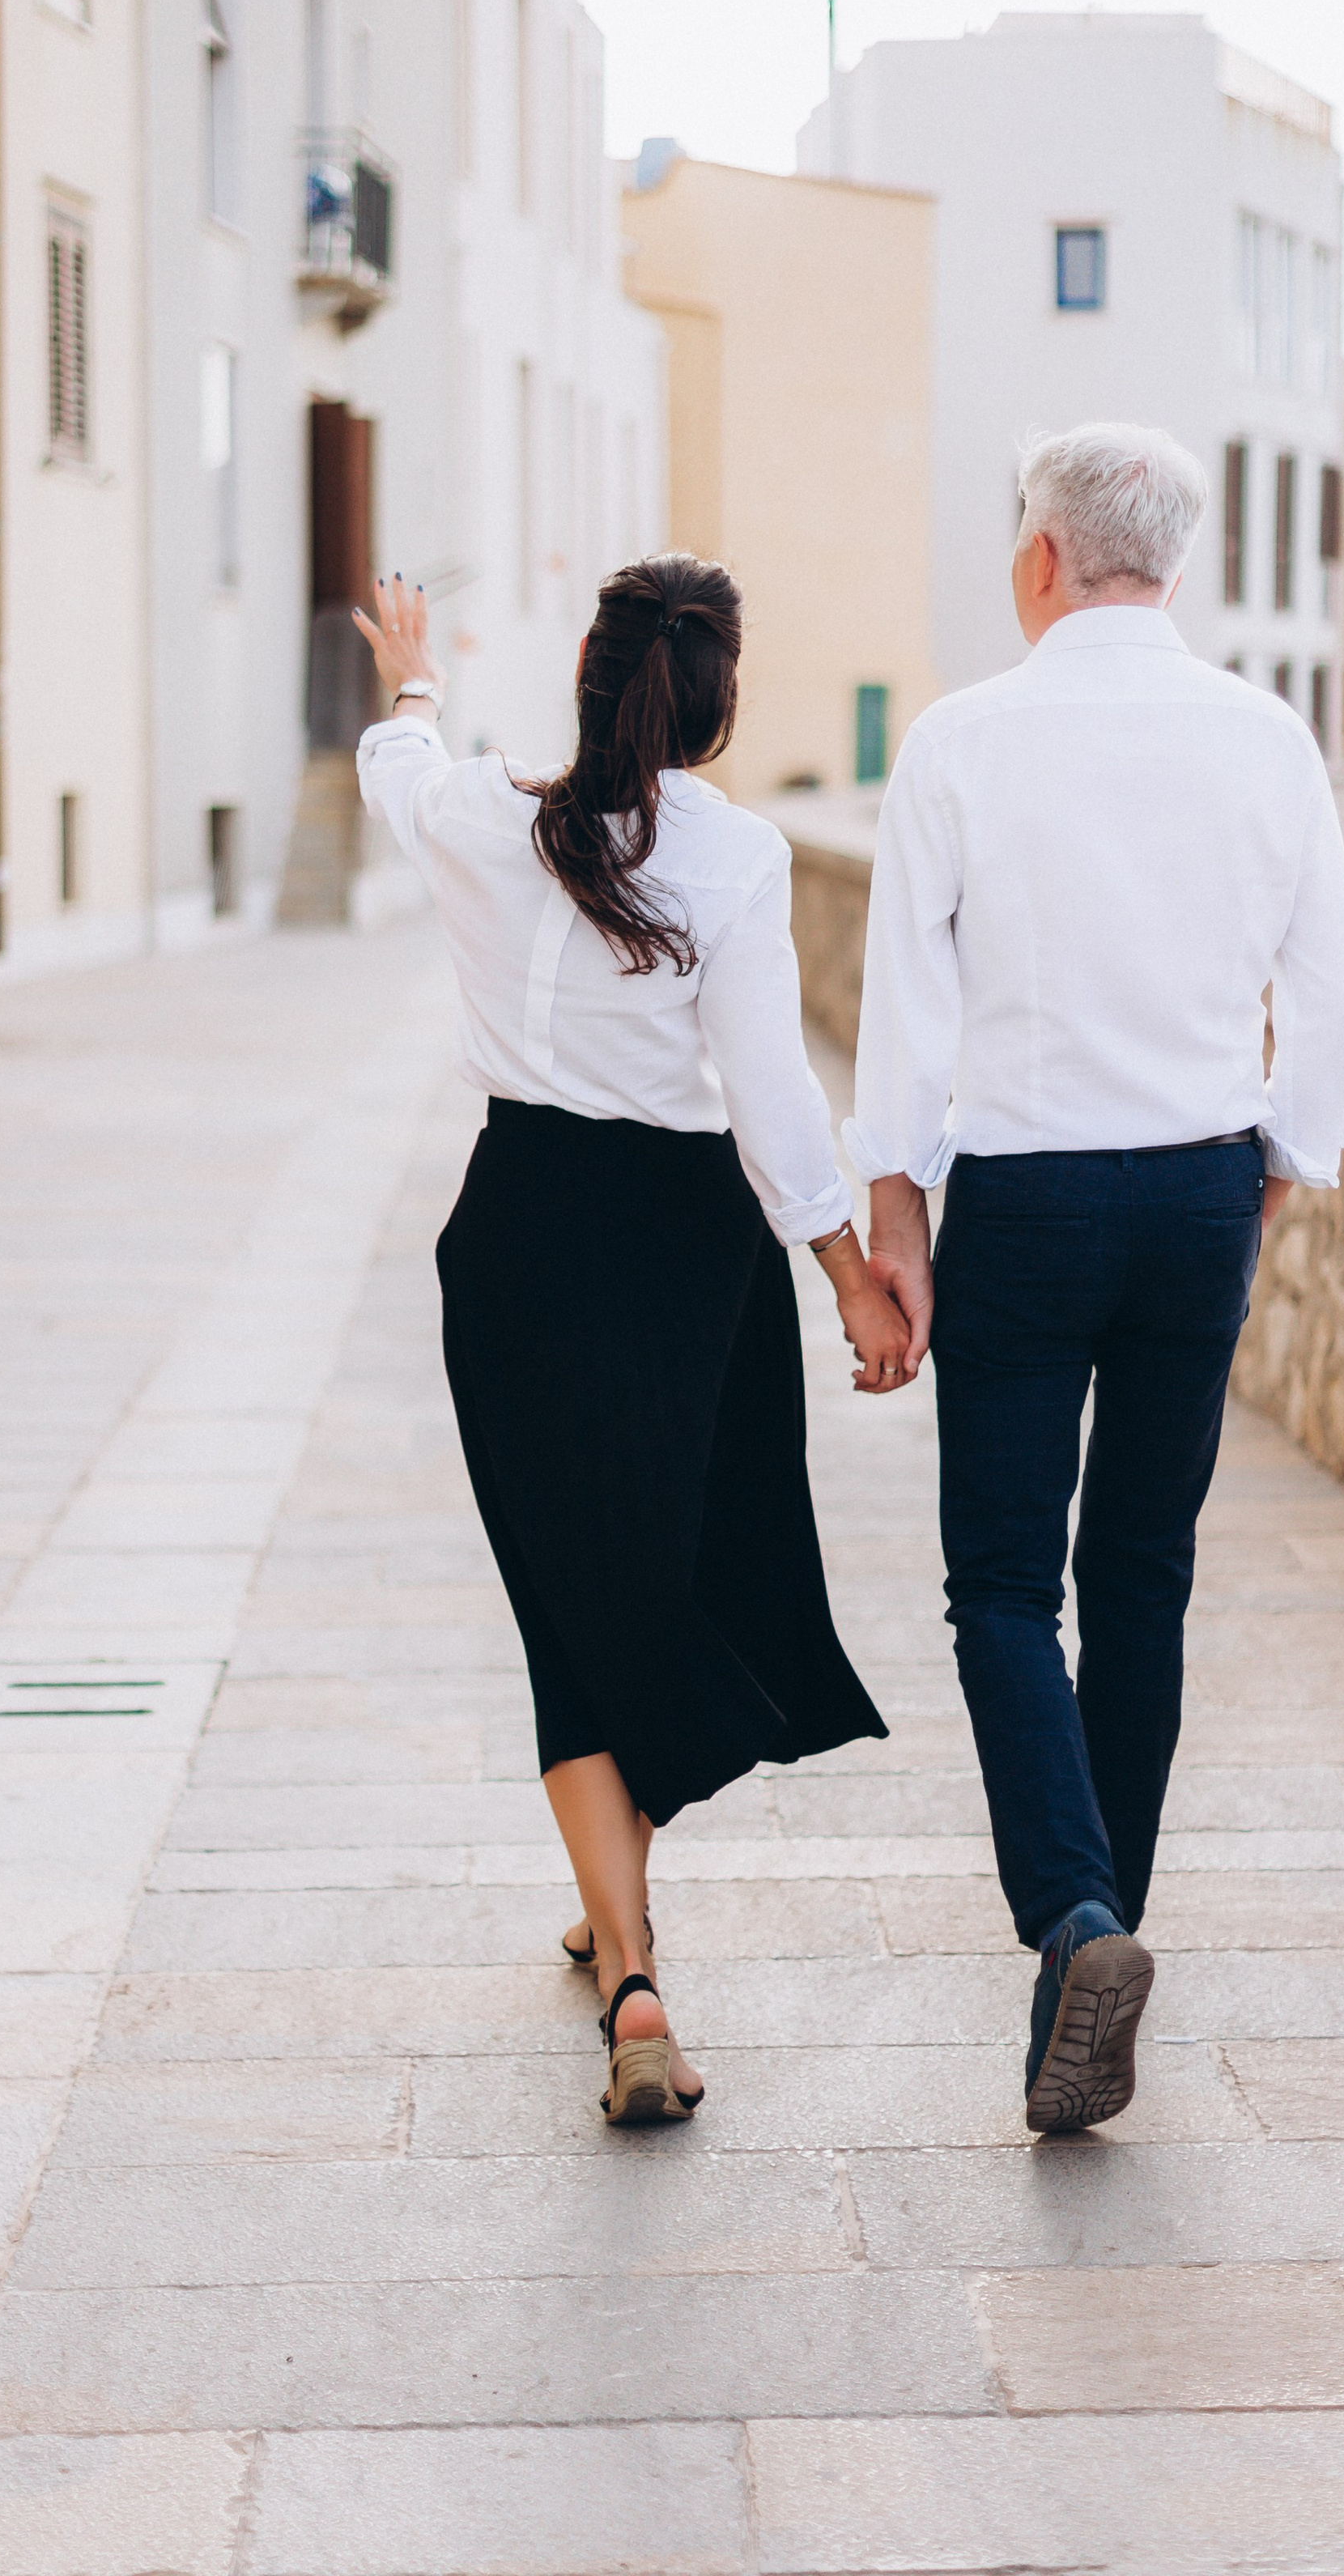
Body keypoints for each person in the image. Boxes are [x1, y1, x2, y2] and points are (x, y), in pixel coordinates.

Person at [849, 423, 1344, 2135]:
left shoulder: (960, 742)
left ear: (1041, 558)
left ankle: (1077, 1924)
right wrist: (1278, 1165)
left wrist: (896, 1211)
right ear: (1175, 562)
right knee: (1140, 1582)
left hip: (1027, 1198)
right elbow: (1327, 994)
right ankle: (1096, 1939)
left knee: (1004, 1589)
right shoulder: (1265, 738)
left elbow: (905, 1006)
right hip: (1200, 1191)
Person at [353, 555, 910, 2126]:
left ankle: (623, 1944)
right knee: (652, 1574)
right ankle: (632, 1974)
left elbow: (397, 770)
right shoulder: (732, 856)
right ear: (713, 708)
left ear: (589, 680)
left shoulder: (481, 818)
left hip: (518, 1239)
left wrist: (411, 677)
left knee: (570, 1597)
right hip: (682, 1256)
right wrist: (845, 1270)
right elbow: (770, 1092)